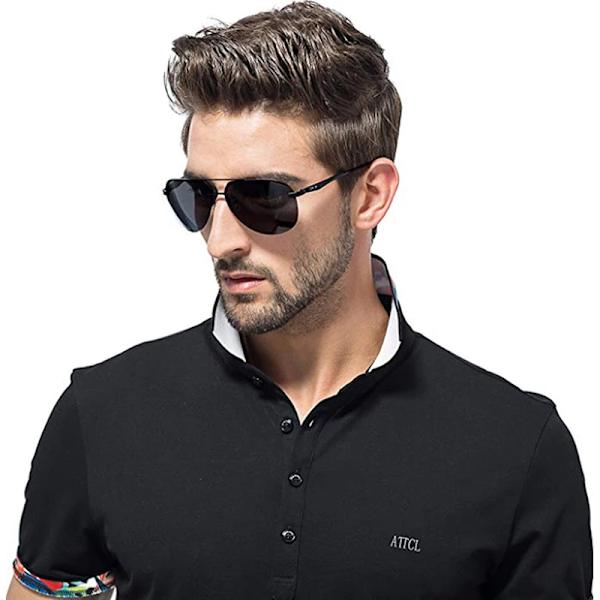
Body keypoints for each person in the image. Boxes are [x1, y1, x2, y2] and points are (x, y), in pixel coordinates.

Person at [7, 1, 593, 599]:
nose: (221, 240)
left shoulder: (518, 450)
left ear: (369, 195)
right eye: (199, 198)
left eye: (264, 198)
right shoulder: (100, 414)